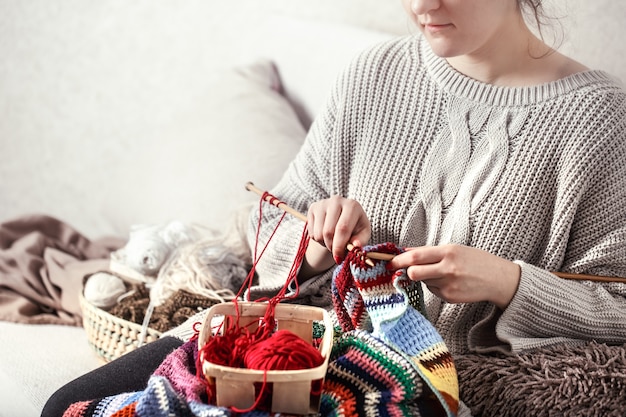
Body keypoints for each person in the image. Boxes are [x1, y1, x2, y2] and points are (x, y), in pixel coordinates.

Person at [42, 0, 626, 415]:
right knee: (65, 409)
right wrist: (318, 239)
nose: (422, 4)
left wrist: (507, 282)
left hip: (430, 382)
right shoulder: (376, 74)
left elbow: (617, 305)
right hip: (292, 341)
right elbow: (271, 224)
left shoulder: (599, 122)